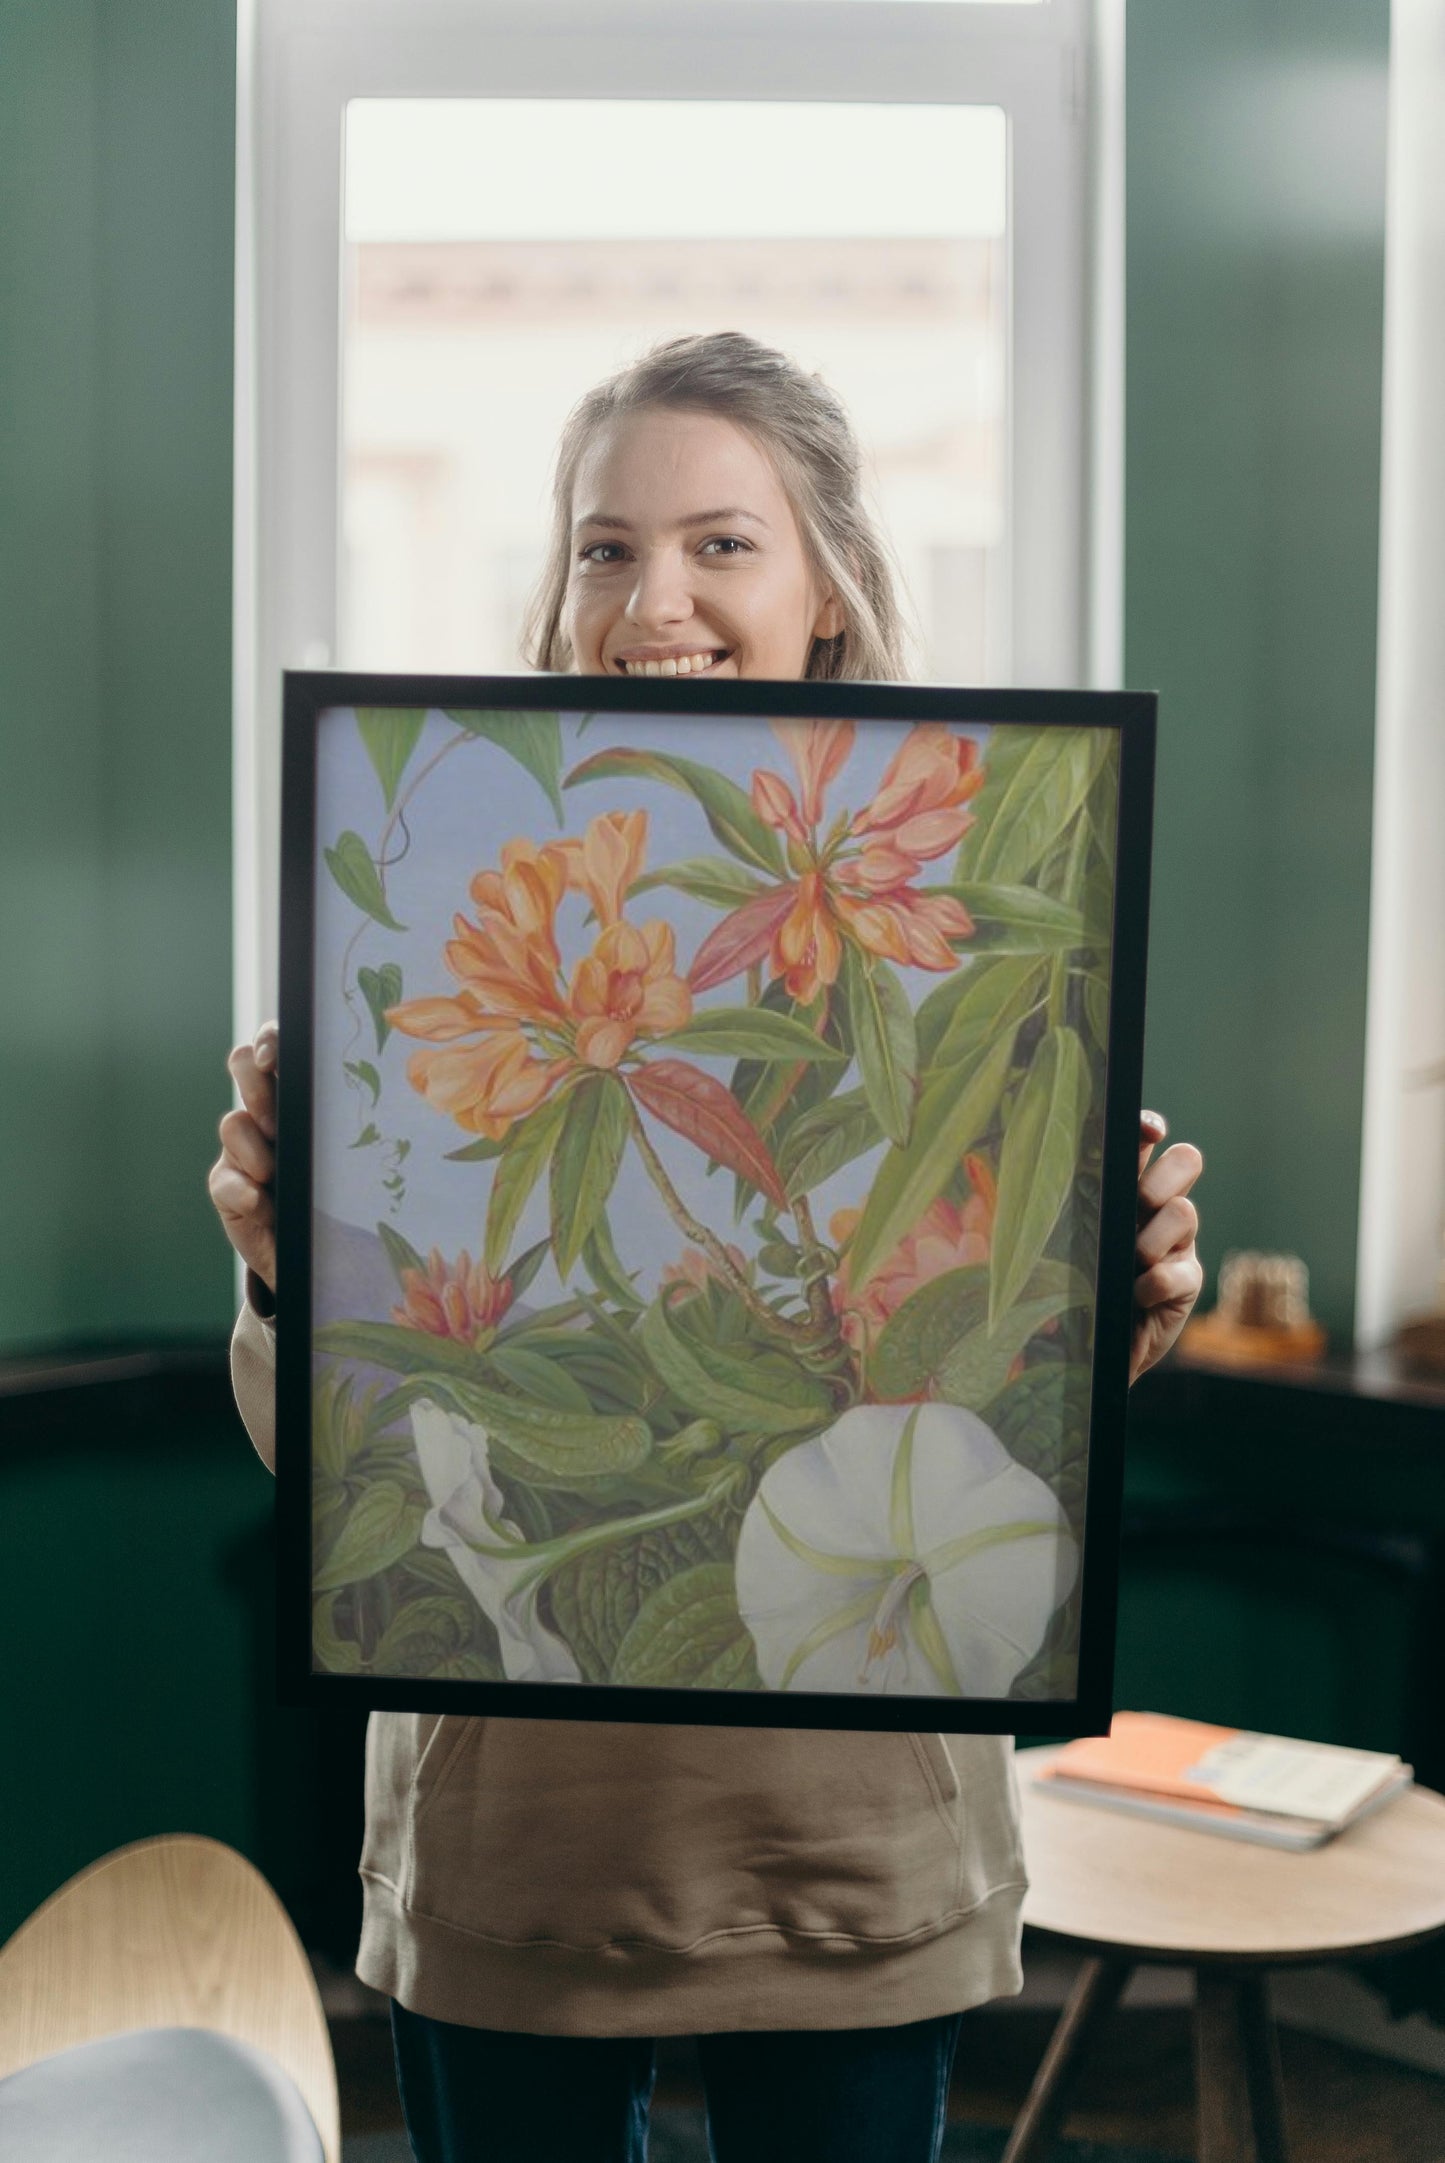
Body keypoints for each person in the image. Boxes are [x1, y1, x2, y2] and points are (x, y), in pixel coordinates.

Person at [210, 332, 1204, 2163]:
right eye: (604, 546)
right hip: (516, 1843)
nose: (650, 597)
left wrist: (1111, 1303)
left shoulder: (978, 919)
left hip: (852, 1843)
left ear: (827, 586)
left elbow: (994, 1421)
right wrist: (286, 1276)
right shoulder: (422, 893)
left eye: (719, 543)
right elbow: (346, 1469)